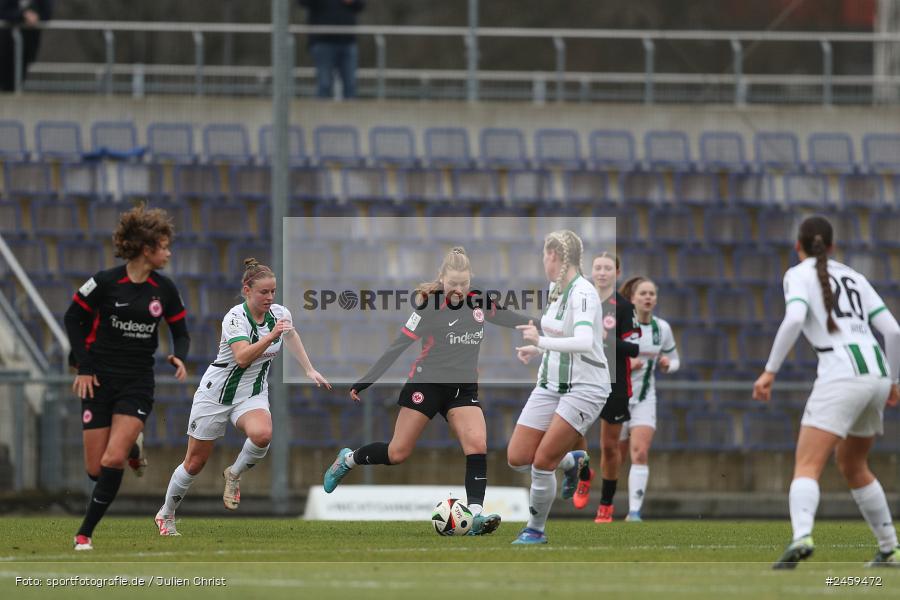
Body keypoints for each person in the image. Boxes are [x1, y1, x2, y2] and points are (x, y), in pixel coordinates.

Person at [322, 246, 534, 536]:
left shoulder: (479, 301)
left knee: (477, 445)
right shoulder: (430, 308)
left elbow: (510, 317)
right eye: (453, 283)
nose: (458, 289)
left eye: (463, 283)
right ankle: (348, 459)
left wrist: (543, 326)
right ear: (442, 278)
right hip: (426, 385)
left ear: (470, 279)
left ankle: (475, 516)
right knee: (397, 452)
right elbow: (397, 346)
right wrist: (366, 381)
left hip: (462, 389)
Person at [753, 216, 900, 569]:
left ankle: (802, 536)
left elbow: (794, 319)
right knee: (853, 464)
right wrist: (895, 381)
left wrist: (770, 371)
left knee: (807, 464)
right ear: (832, 246)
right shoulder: (854, 276)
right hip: (877, 371)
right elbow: (894, 332)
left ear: (797, 246)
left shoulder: (798, 274)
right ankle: (889, 549)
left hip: (841, 372)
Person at [155, 258, 331, 536]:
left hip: (252, 392)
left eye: (273, 291)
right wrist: (271, 336)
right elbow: (242, 357)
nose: (270, 297)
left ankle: (234, 474)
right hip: (216, 393)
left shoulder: (280, 313)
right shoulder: (235, 318)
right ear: (247, 290)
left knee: (262, 435)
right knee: (195, 463)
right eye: (264, 292)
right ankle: (166, 513)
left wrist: (309, 369)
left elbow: (291, 335)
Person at [63, 205, 189, 551]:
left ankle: (84, 533)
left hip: (137, 384)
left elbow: (181, 331)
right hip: (99, 381)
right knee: (95, 470)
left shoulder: (164, 289)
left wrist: (180, 355)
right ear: (147, 249)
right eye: (164, 247)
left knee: (112, 460)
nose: (168, 253)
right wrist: (84, 366)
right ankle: (134, 445)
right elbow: (72, 318)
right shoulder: (105, 282)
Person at [508, 231, 610, 544]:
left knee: (542, 463)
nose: (543, 261)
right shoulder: (554, 289)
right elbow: (560, 336)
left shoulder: (584, 292)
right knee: (518, 457)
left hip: (585, 387)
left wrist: (540, 340)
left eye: (544, 255)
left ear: (553, 255)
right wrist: (537, 348)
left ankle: (535, 530)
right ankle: (572, 461)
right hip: (551, 383)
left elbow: (583, 341)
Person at [570, 252, 640, 521]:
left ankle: (606, 504)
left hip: (614, 383)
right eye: (597, 267)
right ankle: (584, 473)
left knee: (610, 446)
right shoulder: (580, 300)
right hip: (582, 377)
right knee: (573, 433)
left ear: (617, 273)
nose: (601, 272)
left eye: (607, 268)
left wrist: (603, 339)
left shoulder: (624, 307)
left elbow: (633, 348)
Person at [616, 276, 679, 522]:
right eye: (643, 293)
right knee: (615, 457)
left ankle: (634, 512)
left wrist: (667, 365)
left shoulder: (662, 328)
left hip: (645, 398)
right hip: (619, 397)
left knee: (640, 452)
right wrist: (626, 364)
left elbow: (675, 360)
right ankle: (606, 506)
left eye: (652, 293)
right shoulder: (622, 325)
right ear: (632, 298)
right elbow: (603, 356)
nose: (648, 297)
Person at [299, 0, 365, 99]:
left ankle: (351, 108)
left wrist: (353, 1)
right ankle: (321, 108)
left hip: (348, 41)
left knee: (351, 84)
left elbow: (361, 5)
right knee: (324, 83)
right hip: (322, 42)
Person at [0, 0, 53, 92]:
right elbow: (3, 12)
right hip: (5, 44)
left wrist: (37, 16)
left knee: (17, 76)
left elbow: (47, 13)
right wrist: (22, 15)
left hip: (29, 43)